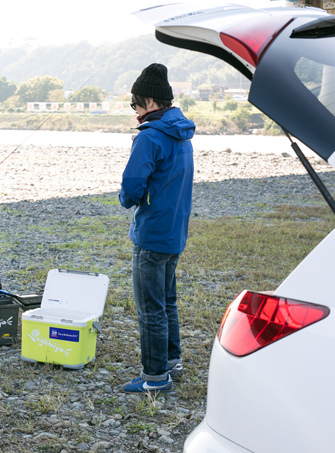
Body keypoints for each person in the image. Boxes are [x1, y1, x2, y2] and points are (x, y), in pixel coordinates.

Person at [119, 63, 195, 394]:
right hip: (175, 232)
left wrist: (125, 199)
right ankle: (171, 362)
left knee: (151, 308)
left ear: (149, 103)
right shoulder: (182, 134)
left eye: (135, 104)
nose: (134, 110)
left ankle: (155, 376)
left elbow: (132, 187)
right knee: (167, 302)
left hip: (151, 234)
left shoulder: (150, 137)